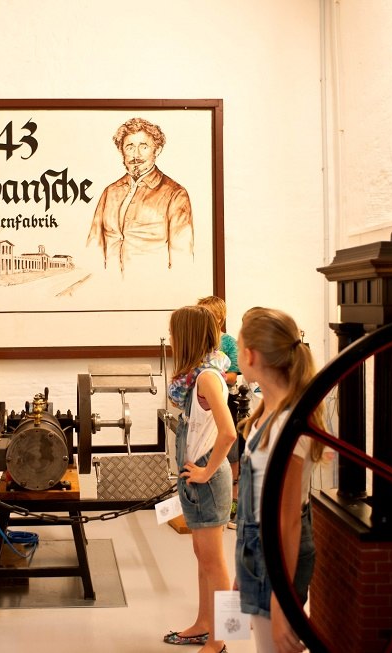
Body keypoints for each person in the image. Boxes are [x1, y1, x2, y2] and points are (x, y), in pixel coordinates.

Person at [233, 307, 325, 653]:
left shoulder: (288, 424)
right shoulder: (266, 414)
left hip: (277, 557)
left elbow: (287, 521)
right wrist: (240, 571)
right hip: (259, 551)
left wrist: (280, 598)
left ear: (250, 355)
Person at [163, 305, 236, 653]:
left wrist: (206, 471)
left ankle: (221, 640)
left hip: (207, 480)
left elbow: (229, 433)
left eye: (176, 334)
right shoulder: (199, 375)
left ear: (186, 336)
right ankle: (205, 624)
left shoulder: (207, 378)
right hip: (198, 482)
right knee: (202, 557)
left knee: (216, 564)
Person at [86, 117, 193, 274]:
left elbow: (182, 259)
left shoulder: (176, 194)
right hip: (108, 288)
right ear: (121, 150)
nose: (136, 154)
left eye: (143, 147)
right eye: (129, 147)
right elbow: (93, 246)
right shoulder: (110, 192)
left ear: (157, 150)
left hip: (152, 290)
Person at [196, 295, 242, 527]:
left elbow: (235, 375)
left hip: (225, 404)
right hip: (202, 409)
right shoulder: (195, 342)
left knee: (231, 455)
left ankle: (232, 505)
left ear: (219, 317)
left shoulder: (229, 343)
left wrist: (216, 376)